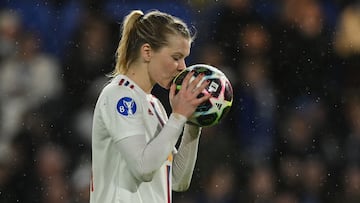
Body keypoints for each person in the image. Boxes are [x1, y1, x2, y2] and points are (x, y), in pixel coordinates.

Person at [90, 9, 211, 203]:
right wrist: (178, 117)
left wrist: (192, 123)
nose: (183, 67)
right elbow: (143, 168)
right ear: (147, 52)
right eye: (176, 57)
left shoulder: (155, 105)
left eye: (184, 58)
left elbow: (177, 181)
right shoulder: (119, 96)